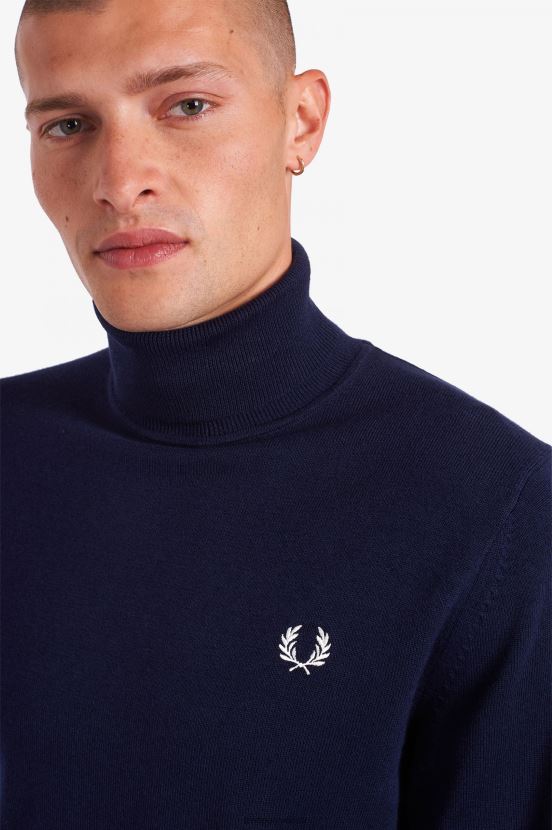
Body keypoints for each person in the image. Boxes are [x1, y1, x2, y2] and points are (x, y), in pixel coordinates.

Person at [1, 1, 550, 828]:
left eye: (187, 106)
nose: (118, 181)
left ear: (302, 121)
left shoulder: (493, 505)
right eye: (68, 125)